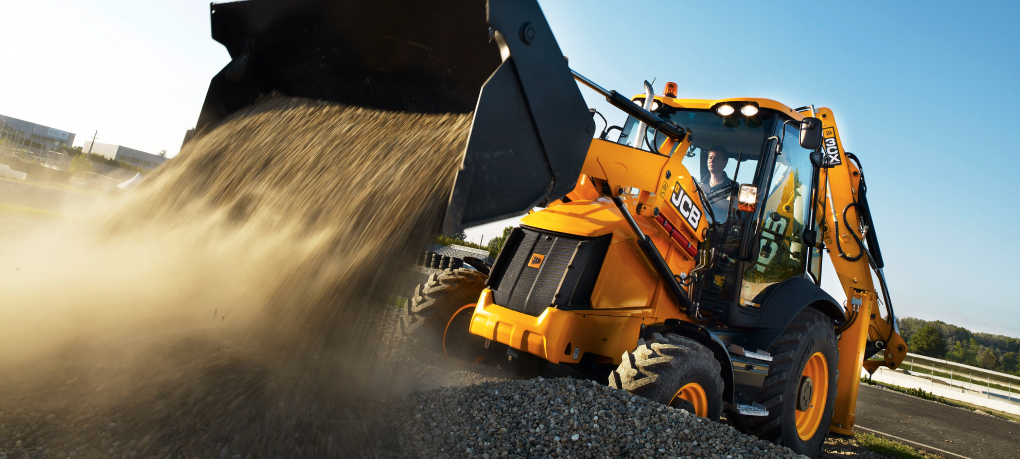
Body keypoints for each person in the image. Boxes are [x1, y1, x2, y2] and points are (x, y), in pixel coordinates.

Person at [701, 150, 733, 220]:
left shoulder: (732, 187)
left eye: (716, 159)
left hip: (719, 228)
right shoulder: (700, 184)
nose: (712, 161)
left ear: (724, 163)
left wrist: (710, 194)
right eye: (710, 158)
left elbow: (731, 207)